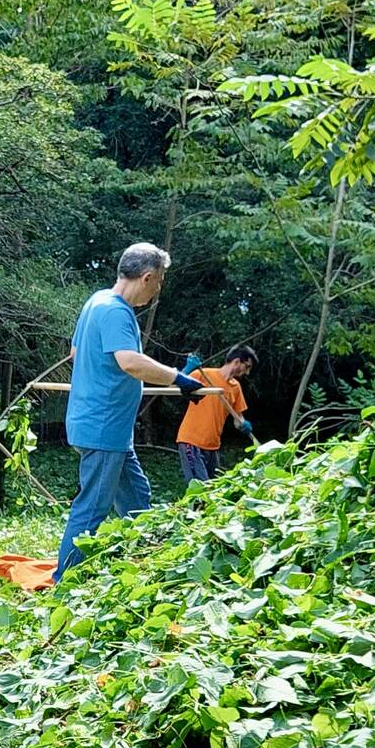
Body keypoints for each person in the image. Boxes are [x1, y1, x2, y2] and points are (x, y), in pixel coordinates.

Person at [53, 243, 204, 581]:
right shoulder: (115, 311)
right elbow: (130, 362)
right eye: (160, 281)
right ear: (147, 277)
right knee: (92, 507)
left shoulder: (96, 301)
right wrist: (177, 378)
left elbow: (77, 353)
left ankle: (150, 569)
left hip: (108, 428)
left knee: (137, 499)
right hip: (103, 428)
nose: (159, 289)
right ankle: (63, 583)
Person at [176, 344, 258, 482]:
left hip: (213, 446)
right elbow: (172, 387)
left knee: (214, 492)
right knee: (200, 491)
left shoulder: (235, 387)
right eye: (247, 366)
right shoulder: (202, 375)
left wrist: (243, 424)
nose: (247, 372)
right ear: (237, 361)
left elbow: (238, 418)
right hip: (191, 442)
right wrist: (187, 370)